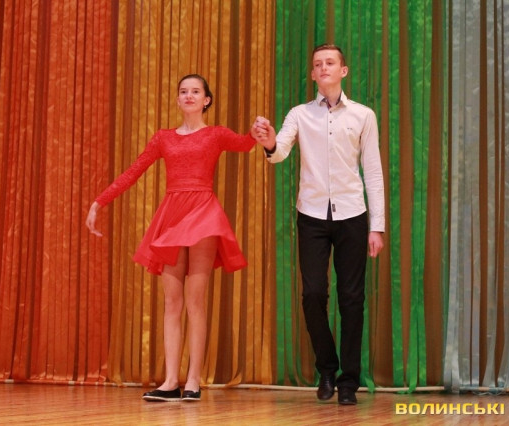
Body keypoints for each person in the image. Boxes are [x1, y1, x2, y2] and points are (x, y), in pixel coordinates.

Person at [86, 74, 264, 402]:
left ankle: (193, 380)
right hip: (172, 216)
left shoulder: (215, 134)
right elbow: (133, 171)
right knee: (172, 301)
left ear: (206, 100)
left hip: (202, 213)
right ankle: (170, 381)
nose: (189, 96)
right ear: (178, 99)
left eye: (195, 91)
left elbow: (243, 143)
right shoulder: (163, 138)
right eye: (183, 91)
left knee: (195, 300)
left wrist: (256, 132)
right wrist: (100, 202)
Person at [253, 44, 385, 405]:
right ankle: (327, 367)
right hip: (311, 214)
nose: (323, 67)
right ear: (312, 74)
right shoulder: (299, 114)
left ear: (343, 71)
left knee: (352, 299)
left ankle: (348, 382)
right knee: (313, 295)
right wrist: (268, 142)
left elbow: (373, 172)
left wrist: (377, 226)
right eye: (317, 64)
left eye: (330, 62)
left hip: (352, 215)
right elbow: (279, 152)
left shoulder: (363, 115)